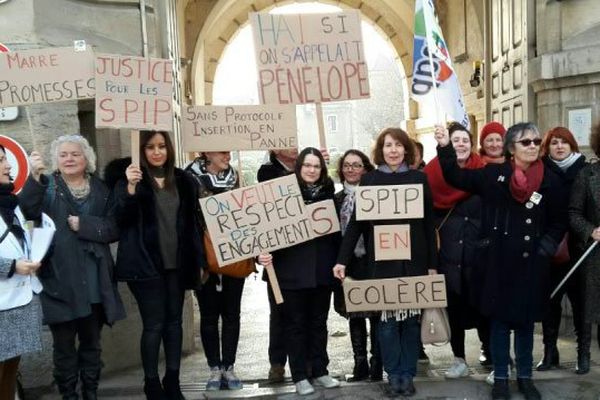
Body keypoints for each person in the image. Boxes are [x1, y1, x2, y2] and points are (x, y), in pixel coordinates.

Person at [434, 122, 567, 400]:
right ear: (511, 148)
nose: (533, 146)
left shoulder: (550, 178)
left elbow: (558, 220)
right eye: (525, 142)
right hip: (498, 263)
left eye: (535, 141)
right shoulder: (493, 174)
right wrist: (445, 146)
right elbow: (455, 176)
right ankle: (502, 379)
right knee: (499, 324)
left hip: (532, 263)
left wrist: (545, 247)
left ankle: (526, 377)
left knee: (526, 325)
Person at [333, 128, 438, 397]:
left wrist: (431, 264)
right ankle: (394, 375)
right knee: (388, 323)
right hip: (381, 264)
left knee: (411, 322)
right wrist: (342, 260)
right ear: (381, 150)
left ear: (406, 149)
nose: (393, 150)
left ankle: (408, 373)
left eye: (398, 145)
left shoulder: (419, 179)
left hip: (414, 262)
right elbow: (355, 225)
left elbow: (428, 226)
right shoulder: (369, 181)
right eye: (388, 145)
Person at [20, 135, 125, 400]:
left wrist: (86, 225)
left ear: (86, 159)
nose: (69, 159)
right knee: (64, 347)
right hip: (59, 280)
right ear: (56, 159)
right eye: (64, 154)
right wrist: (34, 178)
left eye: (75, 154)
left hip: (95, 281)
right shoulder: (46, 186)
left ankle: (90, 394)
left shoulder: (101, 189)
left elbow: (114, 228)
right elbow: (27, 215)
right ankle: (69, 396)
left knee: (92, 344)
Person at [109, 130, 204, 400]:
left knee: (173, 324)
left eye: (162, 146)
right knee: (154, 325)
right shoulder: (130, 179)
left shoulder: (184, 181)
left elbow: (194, 226)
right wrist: (129, 188)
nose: (157, 152)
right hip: (144, 265)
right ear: (142, 150)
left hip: (178, 264)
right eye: (150, 147)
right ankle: (151, 384)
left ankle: (172, 381)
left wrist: (198, 261)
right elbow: (120, 220)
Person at [258, 147, 341, 396]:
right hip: (290, 272)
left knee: (319, 323)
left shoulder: (330, 195)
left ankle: (320, 370)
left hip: (321, 271)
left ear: (322, 169)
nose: (312, 170)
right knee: (294, 325)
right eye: (307, 165)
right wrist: (260, 254)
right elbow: (262, 229)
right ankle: (300, 376)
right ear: (299, 167)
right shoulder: (281, 196)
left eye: (316, 166)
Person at [423, 122, 490, 378]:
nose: (461, 144)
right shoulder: (432, 173)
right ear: (447, 145)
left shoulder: (483, 172)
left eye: (465, 140)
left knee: (485, 310)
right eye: (456, 140)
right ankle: (459, 360)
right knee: (455, 310)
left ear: (472, 145)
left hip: (478, 255)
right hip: (448, 255)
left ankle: (494, 359)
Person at [186, 152, 246, 391]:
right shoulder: (188, 179)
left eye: (228, 151)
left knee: (232, 314)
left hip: (234, 256)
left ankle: (229, 367)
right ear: (207, 153)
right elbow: (187, 221)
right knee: (209, 315)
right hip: (205, 257)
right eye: (221, 151)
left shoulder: (237, 177)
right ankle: (214, 369)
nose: (227, 155)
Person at [537, 127, 587, 373]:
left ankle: (582, 353)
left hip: (581, 247)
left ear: (572, 145)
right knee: (550, 301)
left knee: (580, 303)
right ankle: (549, 352)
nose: (559, 146)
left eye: (564, 142)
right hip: (552, 247)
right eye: (554, 142)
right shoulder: (541, 171)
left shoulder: (585, 171)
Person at [333, 149, 381, 382]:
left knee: (377, 314)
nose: (351, 169)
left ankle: (377, 363)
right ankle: (359, 363)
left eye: (357, 165)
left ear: (365, 169)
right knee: (355, 315)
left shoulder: (377, 196)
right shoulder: (336, 199)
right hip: (347, 264)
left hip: (372, 262)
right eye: (347, 165)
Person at [0, 144, 43, 399]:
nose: (7, 166)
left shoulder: (10, 201)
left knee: (9, 372)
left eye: (5, 159)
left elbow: (24, 231)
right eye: (0, 161)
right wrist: (12, 266)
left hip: (17, 300)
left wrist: (32, 253)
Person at [256, 148, 298, 382]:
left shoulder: (307, 165)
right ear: (275, 148)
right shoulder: (267, 172)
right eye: (287, 141)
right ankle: (277, 363)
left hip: (303, 254)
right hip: (278, 259)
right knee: (279, 314)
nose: (294, 146)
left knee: (302, 315)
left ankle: (305, 363)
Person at [568, 123, 600, 375]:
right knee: (588, 308)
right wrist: (591, 230)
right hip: (593, 253)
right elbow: (574, 212)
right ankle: (583, 353)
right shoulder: (587, 174)